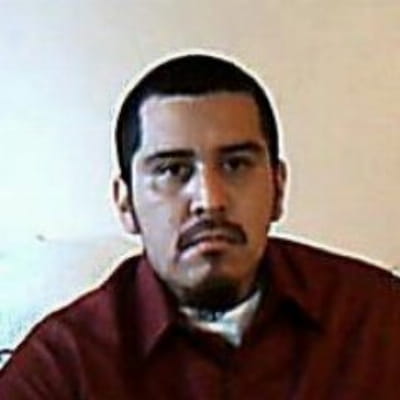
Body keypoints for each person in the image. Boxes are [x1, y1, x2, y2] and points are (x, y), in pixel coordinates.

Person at [1, 52, 399, 399]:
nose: (210, 201)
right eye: (172, 170)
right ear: (126, 204)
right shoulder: (63, 368)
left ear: (278, 188)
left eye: (236, 164)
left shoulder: (379, 319)